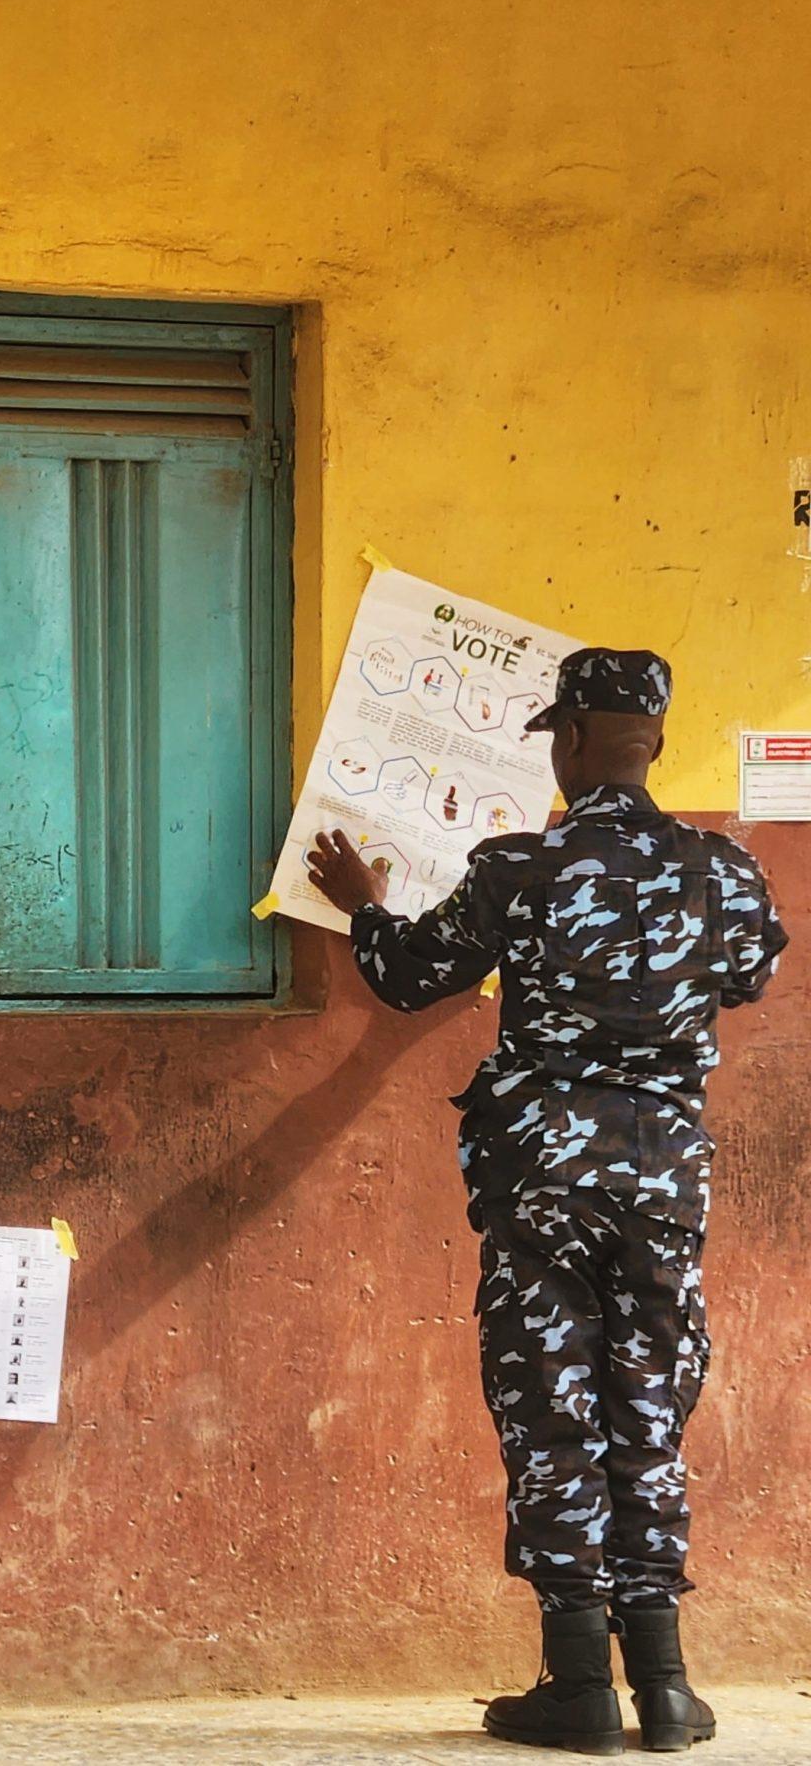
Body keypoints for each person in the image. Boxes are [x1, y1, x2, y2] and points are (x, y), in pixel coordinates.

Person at [307, 647, 785, 1757]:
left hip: (541, 1178)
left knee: (549, 1405)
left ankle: (576, 1683)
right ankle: (664, 1687)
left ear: (568, 741)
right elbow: (750, 971)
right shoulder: (725, 872)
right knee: (648, 1407)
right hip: (665, 1176)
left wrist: (365, 906)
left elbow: (412, 975)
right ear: (653, 742)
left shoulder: (515, 869)